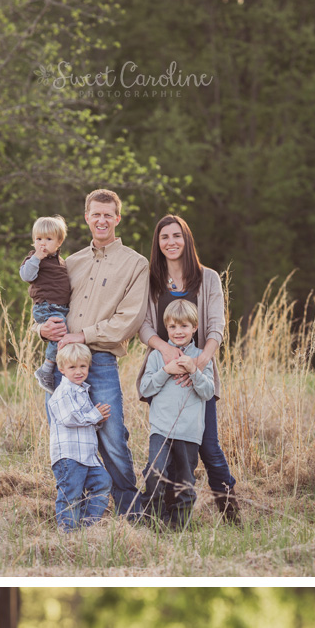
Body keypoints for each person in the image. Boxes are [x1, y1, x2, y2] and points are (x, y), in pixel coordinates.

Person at [37, 189, 149, 517]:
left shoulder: (135, 264)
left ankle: (132, 513)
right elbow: (46, 302)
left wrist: (82, 335)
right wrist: (40, 330)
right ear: (86, 217)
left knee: (113, 436)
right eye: (95, 214)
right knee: (65, 434)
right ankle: (75, 513)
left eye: (108, 215)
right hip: (62, 361)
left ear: (117, 218)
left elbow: (130, 319)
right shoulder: (71, 262)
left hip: (99, 359)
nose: (101, 220)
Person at [139, 214, 240, 523]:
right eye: (165, 237)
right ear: (158, 243)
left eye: (177, 235)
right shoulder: (151, 279)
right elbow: (143, 326)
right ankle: (166, 517)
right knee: (167, 447)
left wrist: (198, 362)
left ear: (187, 239)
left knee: (209, 447)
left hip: (198, 369)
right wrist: (167, 351)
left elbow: (216, 327)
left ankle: (231, 513)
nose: (171, 242)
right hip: (164, 368)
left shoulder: (207, 277)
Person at [138, 299, 215, 527]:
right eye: (172, 327)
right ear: (166, 328)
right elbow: (145, 388)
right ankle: (152, 520)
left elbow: (208, 392)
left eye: (184, 326)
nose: (178, 331)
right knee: (155, 472)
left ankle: (179, 525)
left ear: (194, 327)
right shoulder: (156, 356)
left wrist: (194, 370)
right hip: (161, 429)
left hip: (189, 431)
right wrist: (165, 371)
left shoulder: (201, 358)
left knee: (185, 481)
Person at [47, 343, 112, 532]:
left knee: (102, 483)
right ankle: (67, 531)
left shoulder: (83, 391)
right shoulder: (63, 392)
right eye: (72, 367)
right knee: (71, 494)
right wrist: (95, 415)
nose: (78, 371)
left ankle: (87, 526)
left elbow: (86, 422)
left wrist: (97, 420)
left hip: (87, 456)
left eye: (82, 366)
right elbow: (69, 418)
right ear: (62, 369)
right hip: (69, 456)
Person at [19, 215, 72, 394]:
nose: (42, 243)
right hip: (46, 307)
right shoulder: (34, 260)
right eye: (38, 239)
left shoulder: (61, 262)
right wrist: (36, 258)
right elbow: (27, 276)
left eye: (48, 239)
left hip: (59, 307)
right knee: (59, 334)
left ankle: (55, 367)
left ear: (59, 242)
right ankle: (47, 368)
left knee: (64, 334)